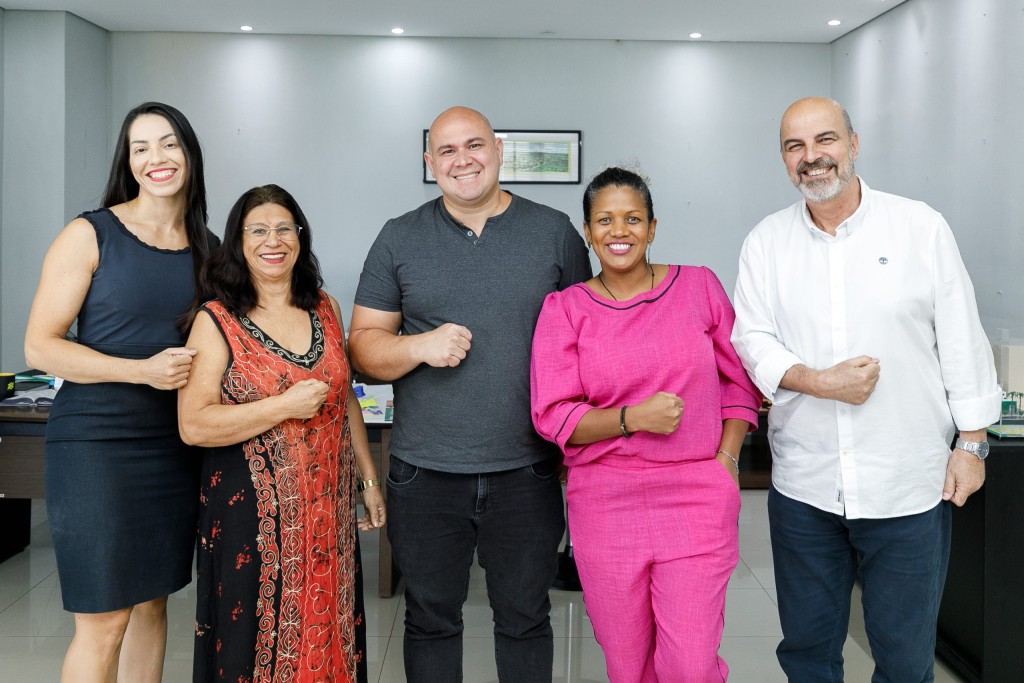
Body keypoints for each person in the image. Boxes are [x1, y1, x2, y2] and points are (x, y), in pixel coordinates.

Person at [731, 97, 1002, 682]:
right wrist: (817, 381)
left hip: (907, 485)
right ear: (784, 159)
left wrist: (972, 443)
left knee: (905, 659)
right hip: (806, 487)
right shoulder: (766, 242)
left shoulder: (920, 227)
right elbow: (751, 339)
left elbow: (961, 337)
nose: (812, 157)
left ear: (853, 144)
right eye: (795, 146)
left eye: (825, 140)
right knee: (807, 652)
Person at [349, 106, 591, 683]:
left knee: (526, 619)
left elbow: (589, 341)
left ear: (499, 151)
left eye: (475, 145)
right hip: (423, 473)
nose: (463, 160)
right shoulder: (399, 236)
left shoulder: (554, 232)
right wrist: (418, 346)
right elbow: (363, 347)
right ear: (429, 162)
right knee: (430, 621)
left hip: (528, 469)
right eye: (447, 150)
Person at [530, 167, 761, 682]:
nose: (620, 231)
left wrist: (726, 460)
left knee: (690, 665)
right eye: (605, 220)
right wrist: (632, 420)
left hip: (696, 497)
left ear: (653, 228)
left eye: (633, 219)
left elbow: (739, 381)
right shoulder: (565, 309)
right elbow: (553, 415)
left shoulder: (699, 287)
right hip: (605, 503)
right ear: (587, 231)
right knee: (628, 664)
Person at [23, 102, 216, 683]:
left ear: (189, 153)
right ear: (127, 162)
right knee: (105, 619)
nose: (157, 158)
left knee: (154, 603)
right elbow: (40, 347)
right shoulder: (89, 234)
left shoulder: (211, 249)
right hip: (95, 443)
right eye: (141, 147)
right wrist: (140, 372)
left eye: (169, 143)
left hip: (175, 446)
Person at [177, 184, 385, 683]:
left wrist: (369, 481)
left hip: (329, 512)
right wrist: (282, 407)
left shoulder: (325, 307)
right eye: (258, 231)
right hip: (252, 519)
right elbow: (193, 425)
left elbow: (345, 398)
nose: (273, 241)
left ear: (300, 236)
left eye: (284, 229)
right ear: (238, 241)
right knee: (250, 642)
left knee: (331, 629)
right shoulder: (216, 320)